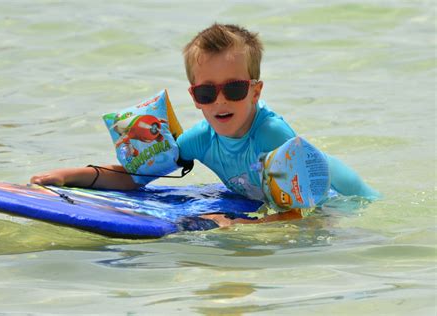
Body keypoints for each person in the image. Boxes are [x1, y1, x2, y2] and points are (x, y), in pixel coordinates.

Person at [31, 23, 379, 227]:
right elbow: (135, 176)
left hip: (341, 197)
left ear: (255, 91)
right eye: (207, 92)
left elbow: (300, 211)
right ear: (194, 96)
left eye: (235, 88)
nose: (221, 101)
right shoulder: (200, 139)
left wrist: (240, 226)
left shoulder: (272, 134)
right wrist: (68, 176)